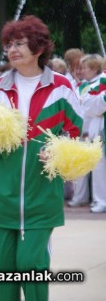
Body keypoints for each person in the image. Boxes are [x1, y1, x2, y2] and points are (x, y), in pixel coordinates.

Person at [0, 15, 82, 301]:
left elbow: (75, 132)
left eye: (20, 43)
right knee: (5, 274)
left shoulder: (61, 87)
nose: (13, 49)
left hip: (41, 196)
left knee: (31, 266)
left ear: (39, 47)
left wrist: (59, 150)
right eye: (9, 44)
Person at [68, 54, 104, 208]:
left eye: (84, 68)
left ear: (95, 68)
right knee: (97, 166)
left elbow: (93, 107)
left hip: (99, 125)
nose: (81, 71)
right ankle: (98, 200)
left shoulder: (103, 81)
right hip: (93, 128)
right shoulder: (84, 86)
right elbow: (87, 108)